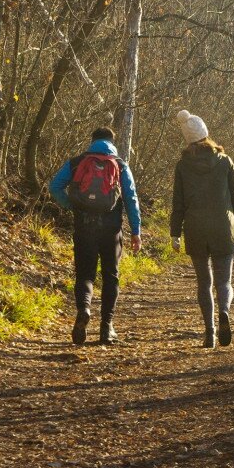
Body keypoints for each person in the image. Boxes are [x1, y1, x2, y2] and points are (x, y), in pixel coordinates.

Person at [50, 126, 142, 345]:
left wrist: (72, 206)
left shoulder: (76, 162)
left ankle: (84, 309)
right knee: (110, 275)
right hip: (111, 230)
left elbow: (55, 186)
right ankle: (106, 328)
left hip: (83, 226)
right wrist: (136, 232)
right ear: (112, 142)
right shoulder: (119, 164)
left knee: (85, 275)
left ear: (92, 141)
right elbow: (131, 199)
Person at [169, 110, 234, 349]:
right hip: (223, 227)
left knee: (203, 282)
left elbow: (178, 203)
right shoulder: (225, 161)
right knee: (224, 282)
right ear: (206, 134)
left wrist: (175, 233)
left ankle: (210, 333)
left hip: (195, 228)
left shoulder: (183, 165)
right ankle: (224, 311)